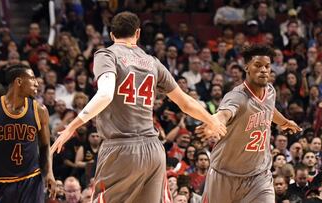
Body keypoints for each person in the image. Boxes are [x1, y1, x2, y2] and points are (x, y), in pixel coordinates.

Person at [51, 11, 226, 203]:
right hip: (153, 149)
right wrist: (212, 120)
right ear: (138, 33)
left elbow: (105, 94)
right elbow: (185, 102)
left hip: (121, 148)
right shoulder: (152, 62)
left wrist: (72, 126)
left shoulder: (107, 54)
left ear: (111, 35)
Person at [197, 44, 302, 203]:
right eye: (258, 66)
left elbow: (269, 109)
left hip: (259, 175)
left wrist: (284, 122)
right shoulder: (237, 97)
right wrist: (213, 123)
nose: (264, 70)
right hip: (225, 175)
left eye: (267, 66)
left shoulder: (270, 91)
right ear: (246, 67)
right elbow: (224, 113)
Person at [0, 64, 56, 202]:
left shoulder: (40, 110)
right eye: (32, 79)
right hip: (0, 182)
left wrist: (49, 173)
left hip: (31, 181)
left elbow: (45, 146)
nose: (37, 84)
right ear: (19, 82)